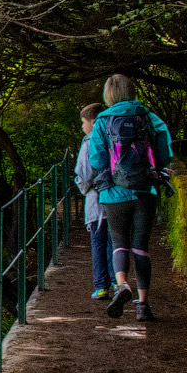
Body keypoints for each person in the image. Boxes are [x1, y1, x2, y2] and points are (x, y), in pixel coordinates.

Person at [83, 74, 174, 321]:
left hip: (113, 193)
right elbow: (165, 153)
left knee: (119, 242)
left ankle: (122, 284)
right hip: (145, 190)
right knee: (141, 247)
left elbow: (97, 160)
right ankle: (143, 306)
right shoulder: (148, 116)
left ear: (108, 95)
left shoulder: (102, 120)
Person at [72, 103, 112, 300]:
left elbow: (84, 174)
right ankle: (118, 282)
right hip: (116, 199)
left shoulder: (89, 142)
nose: (82, 127)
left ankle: (101, 285)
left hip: (97, 201)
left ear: (92, 122)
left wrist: (84, 188)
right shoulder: (114, 137)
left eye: (83, 122)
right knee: (115, 243)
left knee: (98, 243)